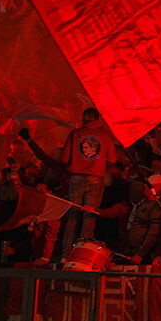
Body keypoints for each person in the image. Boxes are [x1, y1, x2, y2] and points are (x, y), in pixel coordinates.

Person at [59, 107, 113, 258]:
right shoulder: (105, 136)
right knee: (89, 217)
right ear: (97, 119)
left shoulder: (75, 134)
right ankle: (81, 256)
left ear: (84, 118)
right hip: (95, 180)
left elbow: (64, 159)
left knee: (72, 217)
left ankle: (65, 255)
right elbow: (113, 159)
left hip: (76, 179)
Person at [120, 178, 161, 266]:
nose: (143, 190)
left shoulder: (155, 207)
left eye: (145, 187)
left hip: (144, 254)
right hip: (133, 250)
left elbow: (153, 233)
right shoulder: (143, 204)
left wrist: (140, 253)